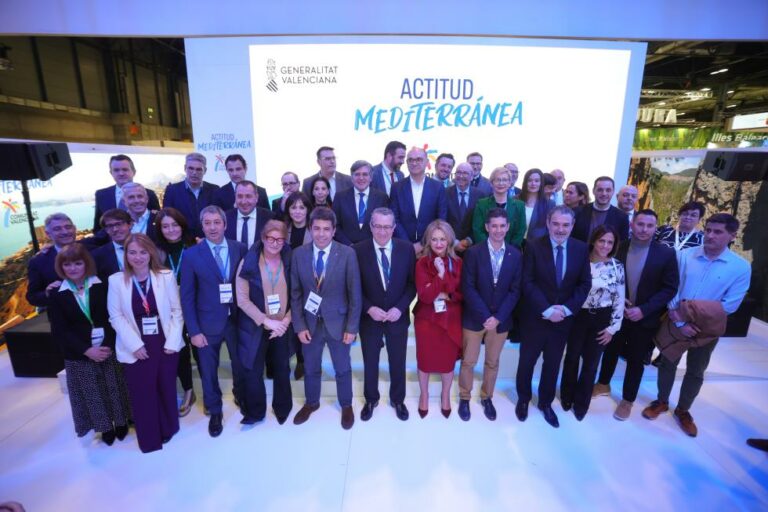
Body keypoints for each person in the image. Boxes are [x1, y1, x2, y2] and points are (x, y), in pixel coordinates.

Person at [643, 213, 751, 437]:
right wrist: (680, 321)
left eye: (718, 232)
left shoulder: (740, 267)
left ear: (732, 235)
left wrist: (696, 321)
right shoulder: (684, 255)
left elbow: (730, 305)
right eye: (708, 230)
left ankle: (683, 410)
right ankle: (661, 401)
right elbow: (673, 288)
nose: (710, 235)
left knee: (696, 370)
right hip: (676, 321)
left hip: (707, 329)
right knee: (667, 363)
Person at [594, 210, 679, 420]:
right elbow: (607, 276)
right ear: (632, 224)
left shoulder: (666, 254)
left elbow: (669, 288)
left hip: (644, 318)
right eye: (640, 224)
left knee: (635, 359)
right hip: (616, 313)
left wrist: (644, 309)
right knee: (610, 351)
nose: (644, 229)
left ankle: (627, 399)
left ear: (655, 228)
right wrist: (618, 299)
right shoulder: (618, 247)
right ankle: (603, 384)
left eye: (650, 226)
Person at [515, 205, 591, 428]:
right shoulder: (533, 246)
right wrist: (547, 310)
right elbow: (527, 282)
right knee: (527, 361)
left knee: (553, 364)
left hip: (563, 321)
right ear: (548, 223)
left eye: (565, 225)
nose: (560, 229)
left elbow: (584, 284)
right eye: (556, 224)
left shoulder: (581, 248)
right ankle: (523, 398)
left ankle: (545, 403)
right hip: (535, 317)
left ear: (572, 226)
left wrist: (565, 310)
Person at [107, 233, 183, 453]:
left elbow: (177, 311)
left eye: (143, 252)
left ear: (151, 253)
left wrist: (172, 341)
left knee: (165, 387)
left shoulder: (165, 276)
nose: (138, 257)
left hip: (164, 340)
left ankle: (168, 427)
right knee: (143, 392)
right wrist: (135, 345)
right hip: (135, 343)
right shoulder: (116, 281)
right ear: (126, 255)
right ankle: (150, 436)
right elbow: (115, 316)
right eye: (132, 252)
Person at [48, 244, 131, 445]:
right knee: (92, 393)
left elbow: (114, 315)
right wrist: (87, 350)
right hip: (79, 354)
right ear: (61, 267)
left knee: (115, 387)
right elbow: (60, 330)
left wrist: (108, 345)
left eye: (78, 263)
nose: (73, 268)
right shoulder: (57, 293)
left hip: (107, 348)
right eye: (67, 265)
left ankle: (121, 422)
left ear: (86, 263)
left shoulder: (102, 285)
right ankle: (105, 428)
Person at [290, 207, 362, 430]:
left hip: (338, 324)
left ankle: (346, 405)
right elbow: (295, 293)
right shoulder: (298, 254)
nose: (321, 234)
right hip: (310, 324)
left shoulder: (347, 254)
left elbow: (355, 294)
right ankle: (311, 403)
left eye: (326, 229)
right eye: (317, 228)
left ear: (333, 230)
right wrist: (299, 325)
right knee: (311, 367)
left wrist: (352, 327)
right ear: (310, 229)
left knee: (342, 368)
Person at [180, 205, 248, 437]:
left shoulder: (239, 248)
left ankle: (240, 394)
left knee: (240, 363)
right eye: (207, 223)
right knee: (208, 371)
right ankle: (215, 411)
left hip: (237, 320)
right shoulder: (191, 255)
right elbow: (187, 297)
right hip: (206, 324)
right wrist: (193, 331)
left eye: (216, 222)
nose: (212, 227)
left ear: (225, 224)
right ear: (202, 226)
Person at [353, 208, 416, 422]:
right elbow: (354, 287)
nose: (382, 231)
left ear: (394, 227)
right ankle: (371, 399)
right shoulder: (358, 250)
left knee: (398, 360)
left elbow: (411, 284)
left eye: (387, 227)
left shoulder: (406, 249)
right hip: (370, 318)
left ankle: (398, 400)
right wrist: (369, 308)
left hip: (397, 316)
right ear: (371, 226)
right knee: (370, 361)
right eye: (378, 226)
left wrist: (400, 308)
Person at [459, 208, 522, 421]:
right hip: (475, 317)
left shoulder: (515, 254)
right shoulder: (473, 253)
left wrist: (498, 317)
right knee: (468, 361)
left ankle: (487, 397)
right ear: (487, 227)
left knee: (492, 362)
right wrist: (485, 315)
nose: (498, 230)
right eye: (494, 226)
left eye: (502, 226)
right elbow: (468, 287)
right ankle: (465, 397)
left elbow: (515, 290)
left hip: (500, 320)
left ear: (508, 227)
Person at [559, 225, 625, 420]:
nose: (605, 245)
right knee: (572, 358)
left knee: (591, 363)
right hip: (578, 316)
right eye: (601, 240)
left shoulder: (617, 266)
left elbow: (620, 298)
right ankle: (567, 395)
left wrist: (613, 328)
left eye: (610, 242)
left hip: (602, 319)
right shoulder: (581, 262)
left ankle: (582, 403)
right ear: (594, 241)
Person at [235, 220, 294, 424]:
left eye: (280, 239)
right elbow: (242, 300)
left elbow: (298, 294)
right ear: (262, 238)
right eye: (271, 238)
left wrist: (285, 321)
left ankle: (282, 407)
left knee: (282, 368)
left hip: (282, 325)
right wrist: (266, 321)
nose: (275, 243)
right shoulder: (249, 262)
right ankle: (255, 412)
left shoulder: (290, 260)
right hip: (256, 324)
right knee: (253, 368)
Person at [414, 220, 463, 418]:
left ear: (449, 240)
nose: (439, 243)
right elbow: (425, 296)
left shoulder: (458, 263)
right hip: (427, 321)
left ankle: (445, 395)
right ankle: (424, 395)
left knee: (447, 361)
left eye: (442, 239)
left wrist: (446, 294)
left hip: (451, 319)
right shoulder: (421, 263)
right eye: (434, 239)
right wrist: (441, 275)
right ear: (428, 241)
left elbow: (460, 293)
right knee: (425, 360)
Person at [154, 207, 198, 417]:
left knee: (199, 350)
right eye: (165, 226)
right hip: (169, 310)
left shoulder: (194, 246)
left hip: (195, 306)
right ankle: (188, 390)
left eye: (175, 225)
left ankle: (209, 391)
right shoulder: (155, 252)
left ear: (182, 226)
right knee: (178, 351)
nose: (171, 230)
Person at [391, 147, 448, 253]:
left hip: (430, 247)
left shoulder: (438, 187)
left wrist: (423, 243)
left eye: (418, 159)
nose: (414, 163)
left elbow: (441, 220)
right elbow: (394, 218)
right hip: (403, 247)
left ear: (427, 162)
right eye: (410, 160)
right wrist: (409, 246)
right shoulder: (396, 187)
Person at [93, 154, 159, 232]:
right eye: (116, 170)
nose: (121, 173)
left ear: (134, 172)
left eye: (125, 169)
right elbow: (98, 227)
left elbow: (158, 221)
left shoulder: (149, 194)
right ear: (111, 173)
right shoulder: (101, 195)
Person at [26, 213, 78, 308]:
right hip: (63, 315)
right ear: (48, 234)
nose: (65, 232)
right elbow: (32, 297)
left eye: (68, 227)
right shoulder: (37, 262)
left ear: (74, 229)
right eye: (57, 229)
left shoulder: (92, 249)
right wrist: (47, 293)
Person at [162, 152, 219, 237]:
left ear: (205, 171)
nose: (194, 173)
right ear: (185, 168)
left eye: (198, 169)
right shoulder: (172, 191)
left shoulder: (214, 190)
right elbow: (167, 218)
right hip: (182, 241)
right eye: (191, 168)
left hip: (208, 240)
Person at [332, 160, 389, 245]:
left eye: (365, 174)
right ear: (352, 178)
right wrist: (349, 245)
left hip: (372, 248)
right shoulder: (340, 197)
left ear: (371, 178)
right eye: (357, 174)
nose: (361, 178)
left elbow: (385, 225)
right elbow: (335, 225)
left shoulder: (382, 198)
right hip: (346, 248)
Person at [471, 166, 526, 249]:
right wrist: (490, 248)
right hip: (485, 250)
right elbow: (477, 229)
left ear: (509, 183)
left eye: (504, 180)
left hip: (511, 251)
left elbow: (520, 230)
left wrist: (508, 249)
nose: (501, 183)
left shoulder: (519, 205)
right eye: (497, 180)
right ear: (491, 183)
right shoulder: (481, 204)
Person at [572, 176, 630, 244]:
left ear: (613, 192)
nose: (604, 194)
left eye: (608, 190)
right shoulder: (577, 212)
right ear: (593, 191)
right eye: (600, 190)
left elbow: (621, 244)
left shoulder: (622, 218)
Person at [224, 180, 274, 250]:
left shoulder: (269, 218)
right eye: (240, 196)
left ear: (256, 197)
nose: (244, 202)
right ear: (235, 197)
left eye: (248, 196)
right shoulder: (225, 218)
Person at [446, 162, 481, 253]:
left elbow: (481, 223)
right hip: (449, 247)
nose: (461, 176)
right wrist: (453, 242)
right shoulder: (444, 193)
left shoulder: (480, 195)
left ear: (472, 176)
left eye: (465, 173)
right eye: (458, 172)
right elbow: (441, 220)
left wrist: (468, 241)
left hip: (472, 248)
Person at [92, 209, 134, 282]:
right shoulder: (97, 256)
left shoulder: (147, 247)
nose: (115, 229)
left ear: (130, 224)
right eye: (110, 226)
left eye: (119, 224)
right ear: (106, 230)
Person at [519, 168, 556, 241]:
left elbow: (550, 228)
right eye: (529, 180)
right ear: (525, 182)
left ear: (541, 183)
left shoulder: (549, 204)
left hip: (537, 243)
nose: (533, 184)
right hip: (515, 243)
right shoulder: (516, 200)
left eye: (536, 181)